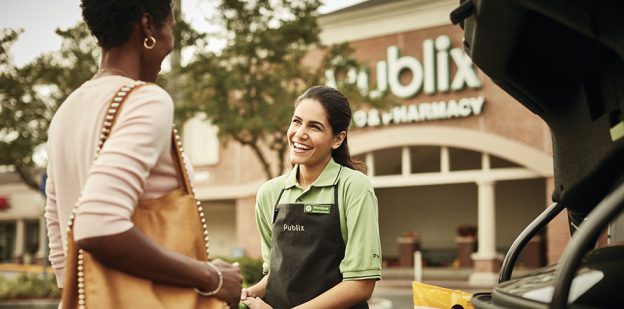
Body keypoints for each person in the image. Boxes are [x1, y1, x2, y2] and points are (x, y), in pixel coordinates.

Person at [43, 0, 241, 307]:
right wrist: (210, 276)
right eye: (171, 29)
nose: (170, 44)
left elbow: (59, 234)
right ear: (148, 26)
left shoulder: (66, 111)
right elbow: (97, 222)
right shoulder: (145, 100)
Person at [241, 86, 382, 309]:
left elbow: (360, 284)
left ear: (337, 139)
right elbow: (274, 275)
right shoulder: (270, 193)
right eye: (297, 121)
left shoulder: (353, 187)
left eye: (314, 126)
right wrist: (247, 293)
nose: (300, 133)